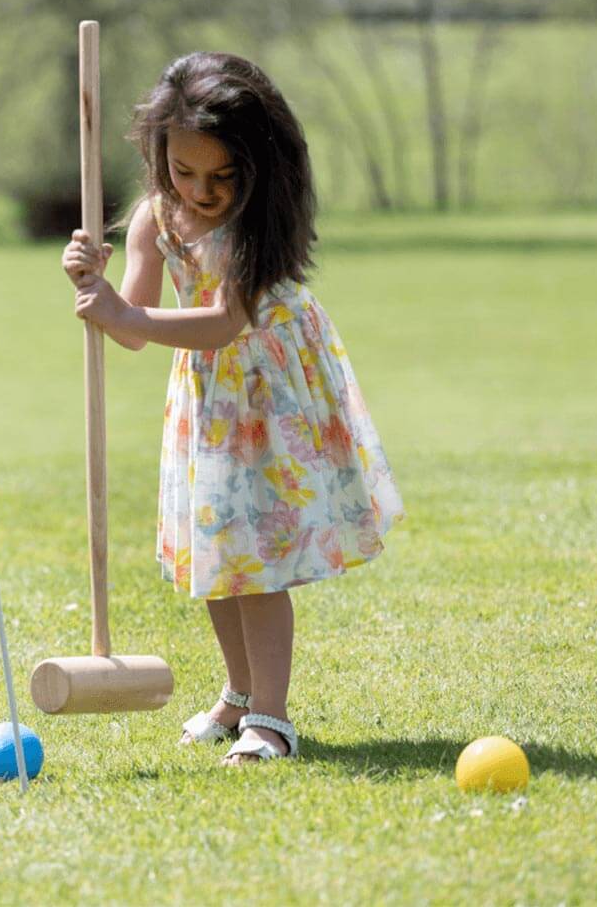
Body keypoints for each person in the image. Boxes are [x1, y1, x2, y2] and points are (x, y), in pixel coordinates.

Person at [61, 51, 404, 766]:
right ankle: (239, 696)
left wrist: (129, 313)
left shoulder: (254, 224)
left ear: (257, 166)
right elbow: (132, 330)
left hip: (271, 391)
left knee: (258, 562)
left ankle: (272, 719)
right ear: (160, 159)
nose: (201, 189)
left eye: (221, 175)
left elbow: (223, 323)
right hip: (208, 399)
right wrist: (95, 289)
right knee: (217, 556)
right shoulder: (156, 219)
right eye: (184, 172)